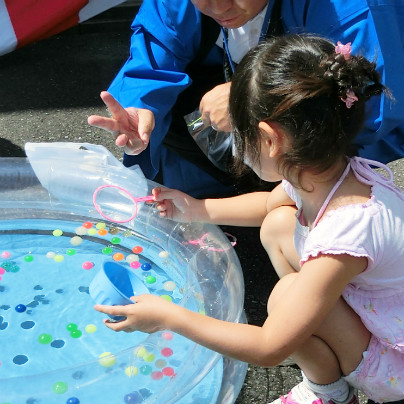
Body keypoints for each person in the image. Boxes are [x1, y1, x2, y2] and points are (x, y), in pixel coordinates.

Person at [94, 35, 404, 404]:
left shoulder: (347, 231)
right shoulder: (326, 171)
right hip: (378, 306)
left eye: (237, 135)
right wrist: (196, 208)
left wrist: (168, 317)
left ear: (269, 140)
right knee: (277, 224)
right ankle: (325, 363)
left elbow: (269, 348)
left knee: (285, 299)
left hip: (394, 367)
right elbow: (267, 204)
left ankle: (329, 390)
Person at [87, 0, 404, 198]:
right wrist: (140, 106)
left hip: (327, 113)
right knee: (166, 113)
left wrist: (253, 96)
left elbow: (368, 100)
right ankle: (235, 189)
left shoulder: (350, 8)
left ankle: (299, 192)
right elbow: (159, 44)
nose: (220, 7)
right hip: (248, 99)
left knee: (286, 215)